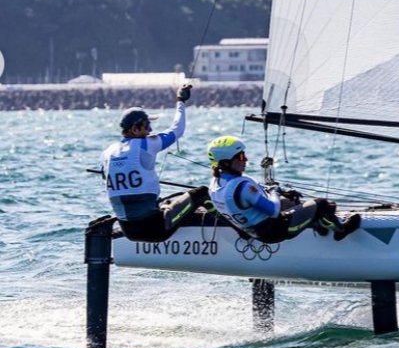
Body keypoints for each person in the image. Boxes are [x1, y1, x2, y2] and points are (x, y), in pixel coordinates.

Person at [101, 84, 210, 242]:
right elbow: (177, 129)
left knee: (164, 202)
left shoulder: (107, 153)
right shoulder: (146, 145)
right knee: (202, 193)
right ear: (135, 129)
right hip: (156, 229)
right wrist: (180, 100)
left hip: (128, 232)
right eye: (147, 125)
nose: (150, 130)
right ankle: (231, 225)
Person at [206, 135, 361, 243]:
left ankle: (319, 224)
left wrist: (278, 192)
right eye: (240, 157)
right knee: (322, 205)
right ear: (225, 163)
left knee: (291, 200)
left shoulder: (216, 184)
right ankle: (341, 230)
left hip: (252, 231)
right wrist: (274, 191)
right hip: (276, 231)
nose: (245, 159)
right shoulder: (244, 187)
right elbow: (273, 210)